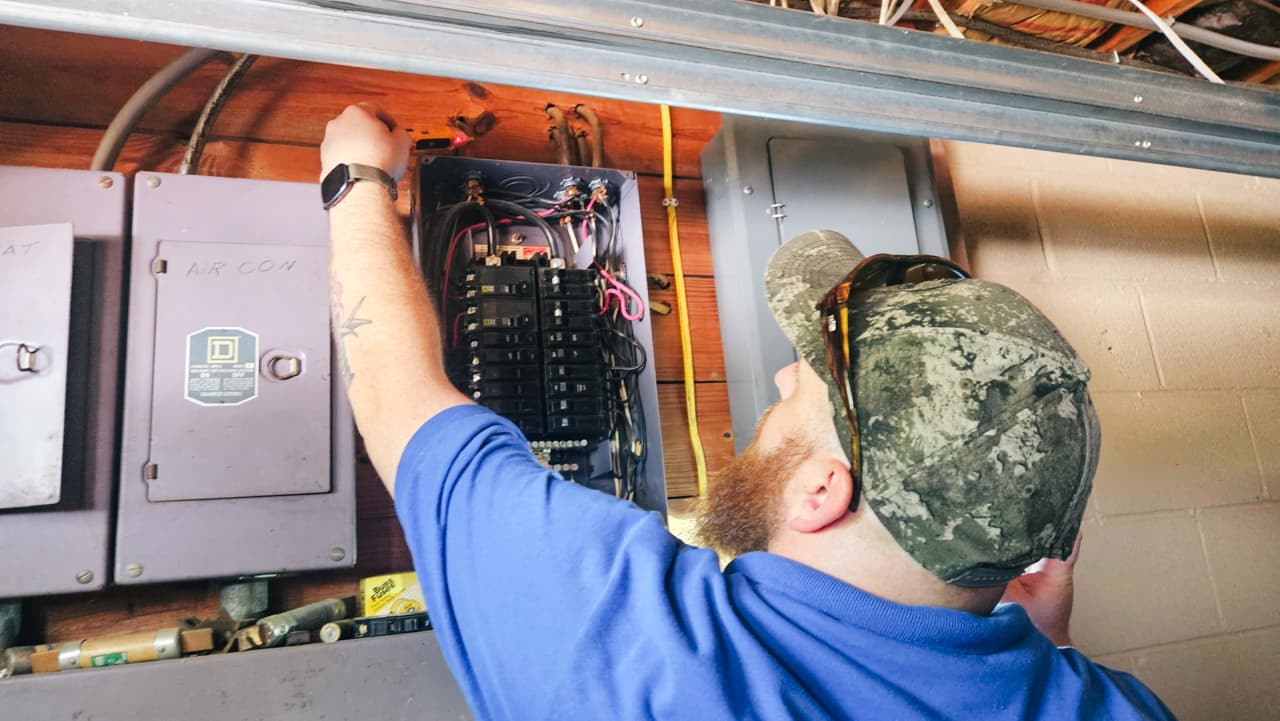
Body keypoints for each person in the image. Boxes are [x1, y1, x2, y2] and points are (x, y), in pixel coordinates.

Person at [321, 102, 1176, 720]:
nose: (776, 388)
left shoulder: (643, 652)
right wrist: (1052, 649)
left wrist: (355, 176)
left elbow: (401, 402)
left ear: (823, 493)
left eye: (800, 384)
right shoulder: (1117, 706)